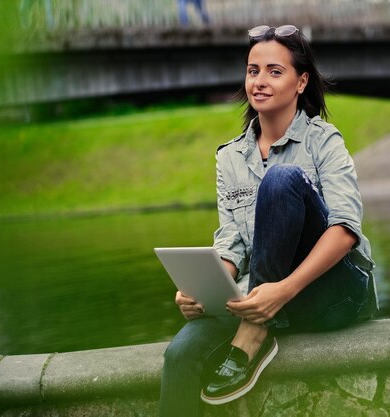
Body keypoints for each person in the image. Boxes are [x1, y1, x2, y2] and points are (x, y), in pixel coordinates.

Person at [158, 24, 376, 417]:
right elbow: (231, 242)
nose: (259, 81)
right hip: (260, 299)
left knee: (282, 180)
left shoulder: (324, 141)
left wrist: (283, 290)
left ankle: (256, 334)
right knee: (180, 353)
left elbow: (345, 231)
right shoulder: (229, 158)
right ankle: (258, 321)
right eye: (252, 70)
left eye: (275, 72)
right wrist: (201, 290)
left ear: (301, 81)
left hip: (333, 294)